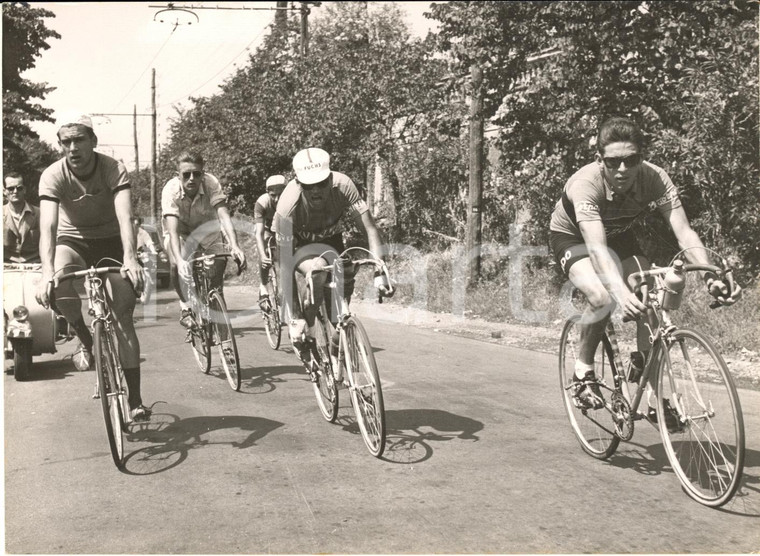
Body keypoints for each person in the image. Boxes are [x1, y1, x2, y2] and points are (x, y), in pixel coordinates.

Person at [549, 116, 741, 415]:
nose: (622, 169)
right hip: (574, 238)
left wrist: (709, 274)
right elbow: (597, 248)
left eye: (631, 160)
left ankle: (649, 386)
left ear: (642, 157)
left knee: (648, 293)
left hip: (619, 235)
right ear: (600, 160)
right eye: (613, 162)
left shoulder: (655, 178)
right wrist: (619, 294)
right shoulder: (586, 183)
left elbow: (684, 232)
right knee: (601, 298)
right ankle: (582, 370)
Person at [33, 113, 151, 421]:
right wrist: (46, 272)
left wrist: (130, 257)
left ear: (93, 142)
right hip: (72, 241)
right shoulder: (52, 175)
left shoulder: (113, 169)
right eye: (66, 142)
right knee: (58, 282)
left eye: (79, 140)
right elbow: (48, 227)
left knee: (123, 313)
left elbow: (126, 218)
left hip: (111, 240)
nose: (72, 148)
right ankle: (86, 340)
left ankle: (135, 400)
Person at [273, 147, 394, 370]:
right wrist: (295, 317)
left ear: (330, 178)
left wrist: (380, 272)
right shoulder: (287, 205)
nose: (316, 191)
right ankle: (308, 326)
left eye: (321, 183)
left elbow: (370, 228)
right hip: (299, 246)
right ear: (299, 184)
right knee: (318, 271)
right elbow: (284, 264)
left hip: (331, 240)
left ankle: (338, 347)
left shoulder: (344, 185)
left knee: (340, 309)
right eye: (309, 186)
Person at [161, 151, 246, 329]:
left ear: (203, 173)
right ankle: (185, 307)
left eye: (197, 174)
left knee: (216, 280)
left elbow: (223, 215)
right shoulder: (170, 190)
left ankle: (213, 306)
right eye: (186, 174)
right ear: (178, 175)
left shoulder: (211, 183)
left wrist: (235, 246)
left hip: (208, 230)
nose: (192, 179)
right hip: (181, 232)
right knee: (176, 265)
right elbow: (173, 230)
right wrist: (179, 258)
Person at [254, 175, 286, 310]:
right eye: (273, 195)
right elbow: (259, 233)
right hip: (267, 229)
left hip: (284, 229)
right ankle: (263, 287)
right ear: (268, 193)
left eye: (281, 194)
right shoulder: (262, 203)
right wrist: (263, 255)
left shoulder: (292, 199)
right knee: (265, 256)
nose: (277, 199)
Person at [3, 172, 41, 263]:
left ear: (25, 190)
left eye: (19, 188)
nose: (15, 191)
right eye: (11, 188)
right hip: (6, 265)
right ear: (4, 191)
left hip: (35, 264)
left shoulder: (39, 213)